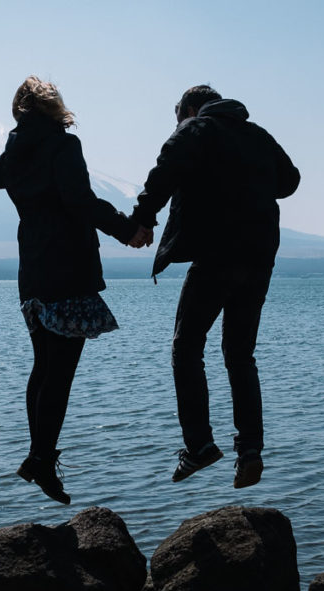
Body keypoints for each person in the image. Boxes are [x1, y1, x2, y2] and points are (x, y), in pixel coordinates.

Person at [0, 76, 140, 504]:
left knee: (44, 370)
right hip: (68, 272)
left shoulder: (17, 150)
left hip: (33, 274)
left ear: (19, 109)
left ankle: (39, 458)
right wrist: (127, 228)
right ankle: (40, 460)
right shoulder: (63, 145)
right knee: (60, 374)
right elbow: (79, 200)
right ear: (54, 106)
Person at [130, 85, 300, 489]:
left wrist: (142, 219)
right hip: (259, 256)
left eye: (179, 118)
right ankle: (251, 451)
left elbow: (163, 174)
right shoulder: (256, 134)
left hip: (218, 254)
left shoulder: (195, 129)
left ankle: (200, 445)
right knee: (240, 355)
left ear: (189, 109)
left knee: (186, 346)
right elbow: (289, 180)